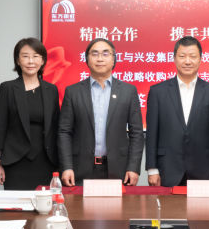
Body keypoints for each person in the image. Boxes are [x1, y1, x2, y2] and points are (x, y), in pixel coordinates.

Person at [58, 38, 144, 186]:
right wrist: (66, 167)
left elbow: (136, 133)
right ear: (87, 59)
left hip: (118, 169)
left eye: (105, 54)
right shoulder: (73, 91)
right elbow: (64, 132)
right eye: (94, 54)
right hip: (80, 168)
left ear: (113, 59)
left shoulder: (128, 91)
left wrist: (133, 167)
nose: (100, 59)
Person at [146, 36, 209, 187]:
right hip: (168, 170)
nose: (187, 61)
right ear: (174, 59)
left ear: (200, 59)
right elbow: (152, 134)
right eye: (182, 56)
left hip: (205, 170)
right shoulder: (157, 92)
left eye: (193, 56)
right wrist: (152, 169)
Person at [0, 38, 60, 190]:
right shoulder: (7, 88)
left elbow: (56, 128)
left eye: (36, 56)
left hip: (46, 161)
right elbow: (1, 128)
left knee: (45, 203)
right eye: (25, 56)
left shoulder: (51, 89)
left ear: (43, 60)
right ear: (17, 60)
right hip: (16, 161)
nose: (31, 61)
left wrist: (61, 163)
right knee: (17, 204)